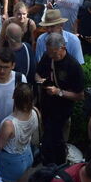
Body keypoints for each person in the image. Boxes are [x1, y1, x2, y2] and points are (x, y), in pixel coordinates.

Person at [36, 32, 84, 164]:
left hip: (62, 112)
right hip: (46, 107)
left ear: (63, 48)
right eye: (49, 52)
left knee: (57, 142)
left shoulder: (73, 66)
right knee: (46, 138)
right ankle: (46, 162)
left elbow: (80, 95)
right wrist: (41, 81)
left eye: (54, 53)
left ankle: (58, 166)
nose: (51, 56)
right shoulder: (48, 57)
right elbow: (38, 73)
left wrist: (59, 92)